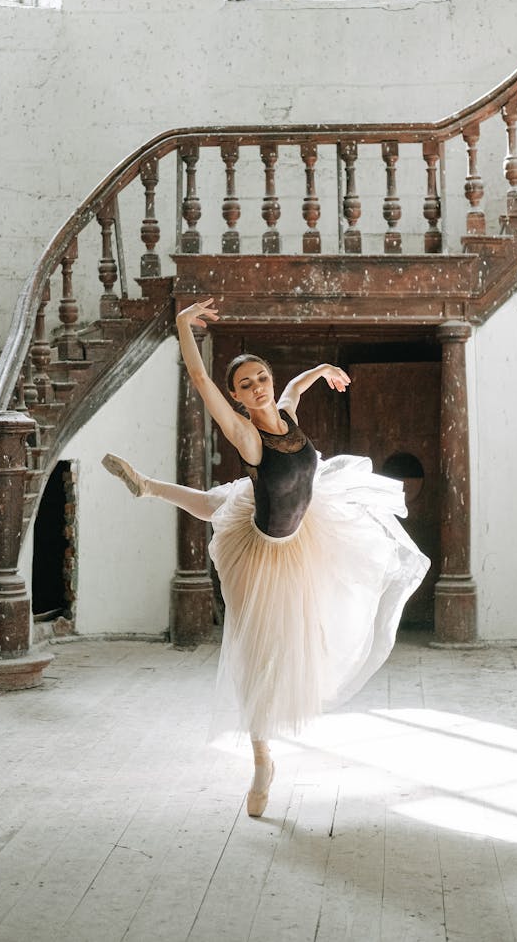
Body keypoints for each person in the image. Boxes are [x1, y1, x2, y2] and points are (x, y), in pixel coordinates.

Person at [102, 298, 429, 818]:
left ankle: (150, 488)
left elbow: (294, 389)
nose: (258, 388)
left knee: (222, 502)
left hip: (308, 531)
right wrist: (184, 325)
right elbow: (200, 380)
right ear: (236, 397)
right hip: (265, 553)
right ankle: (261, 761)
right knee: (257, 654)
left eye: (262, 379)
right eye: (246, 385)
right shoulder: (246, 435)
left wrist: (320, 372)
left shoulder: (285, 413)